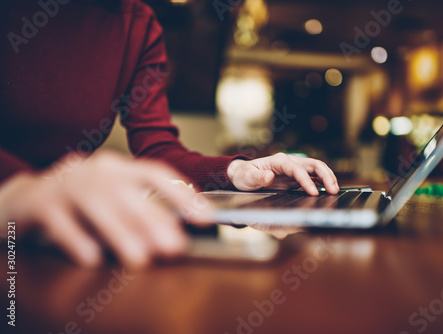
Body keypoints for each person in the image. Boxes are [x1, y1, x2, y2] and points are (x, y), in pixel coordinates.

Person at [0, 0, 339, 268]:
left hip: (51, 238)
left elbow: (156, 147)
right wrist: (21, 187)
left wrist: (238, 171)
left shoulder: (137, 21)